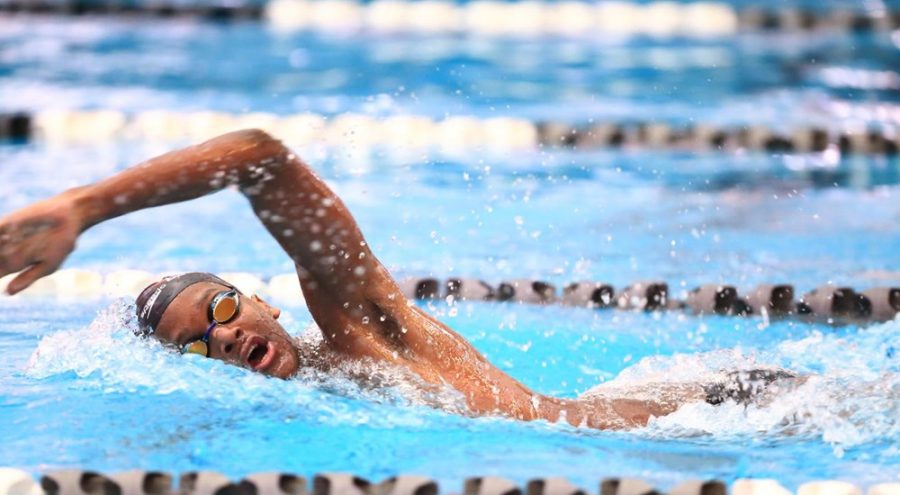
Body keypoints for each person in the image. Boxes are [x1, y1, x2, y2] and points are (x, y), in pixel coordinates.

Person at [0, 129, 795, 430]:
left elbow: (260, 157)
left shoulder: (359, 330)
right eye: (197, 343)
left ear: (262, 300)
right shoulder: (314, 401)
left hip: (730, 410)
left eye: (220, 308)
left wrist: (85, 204)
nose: (224, 334)